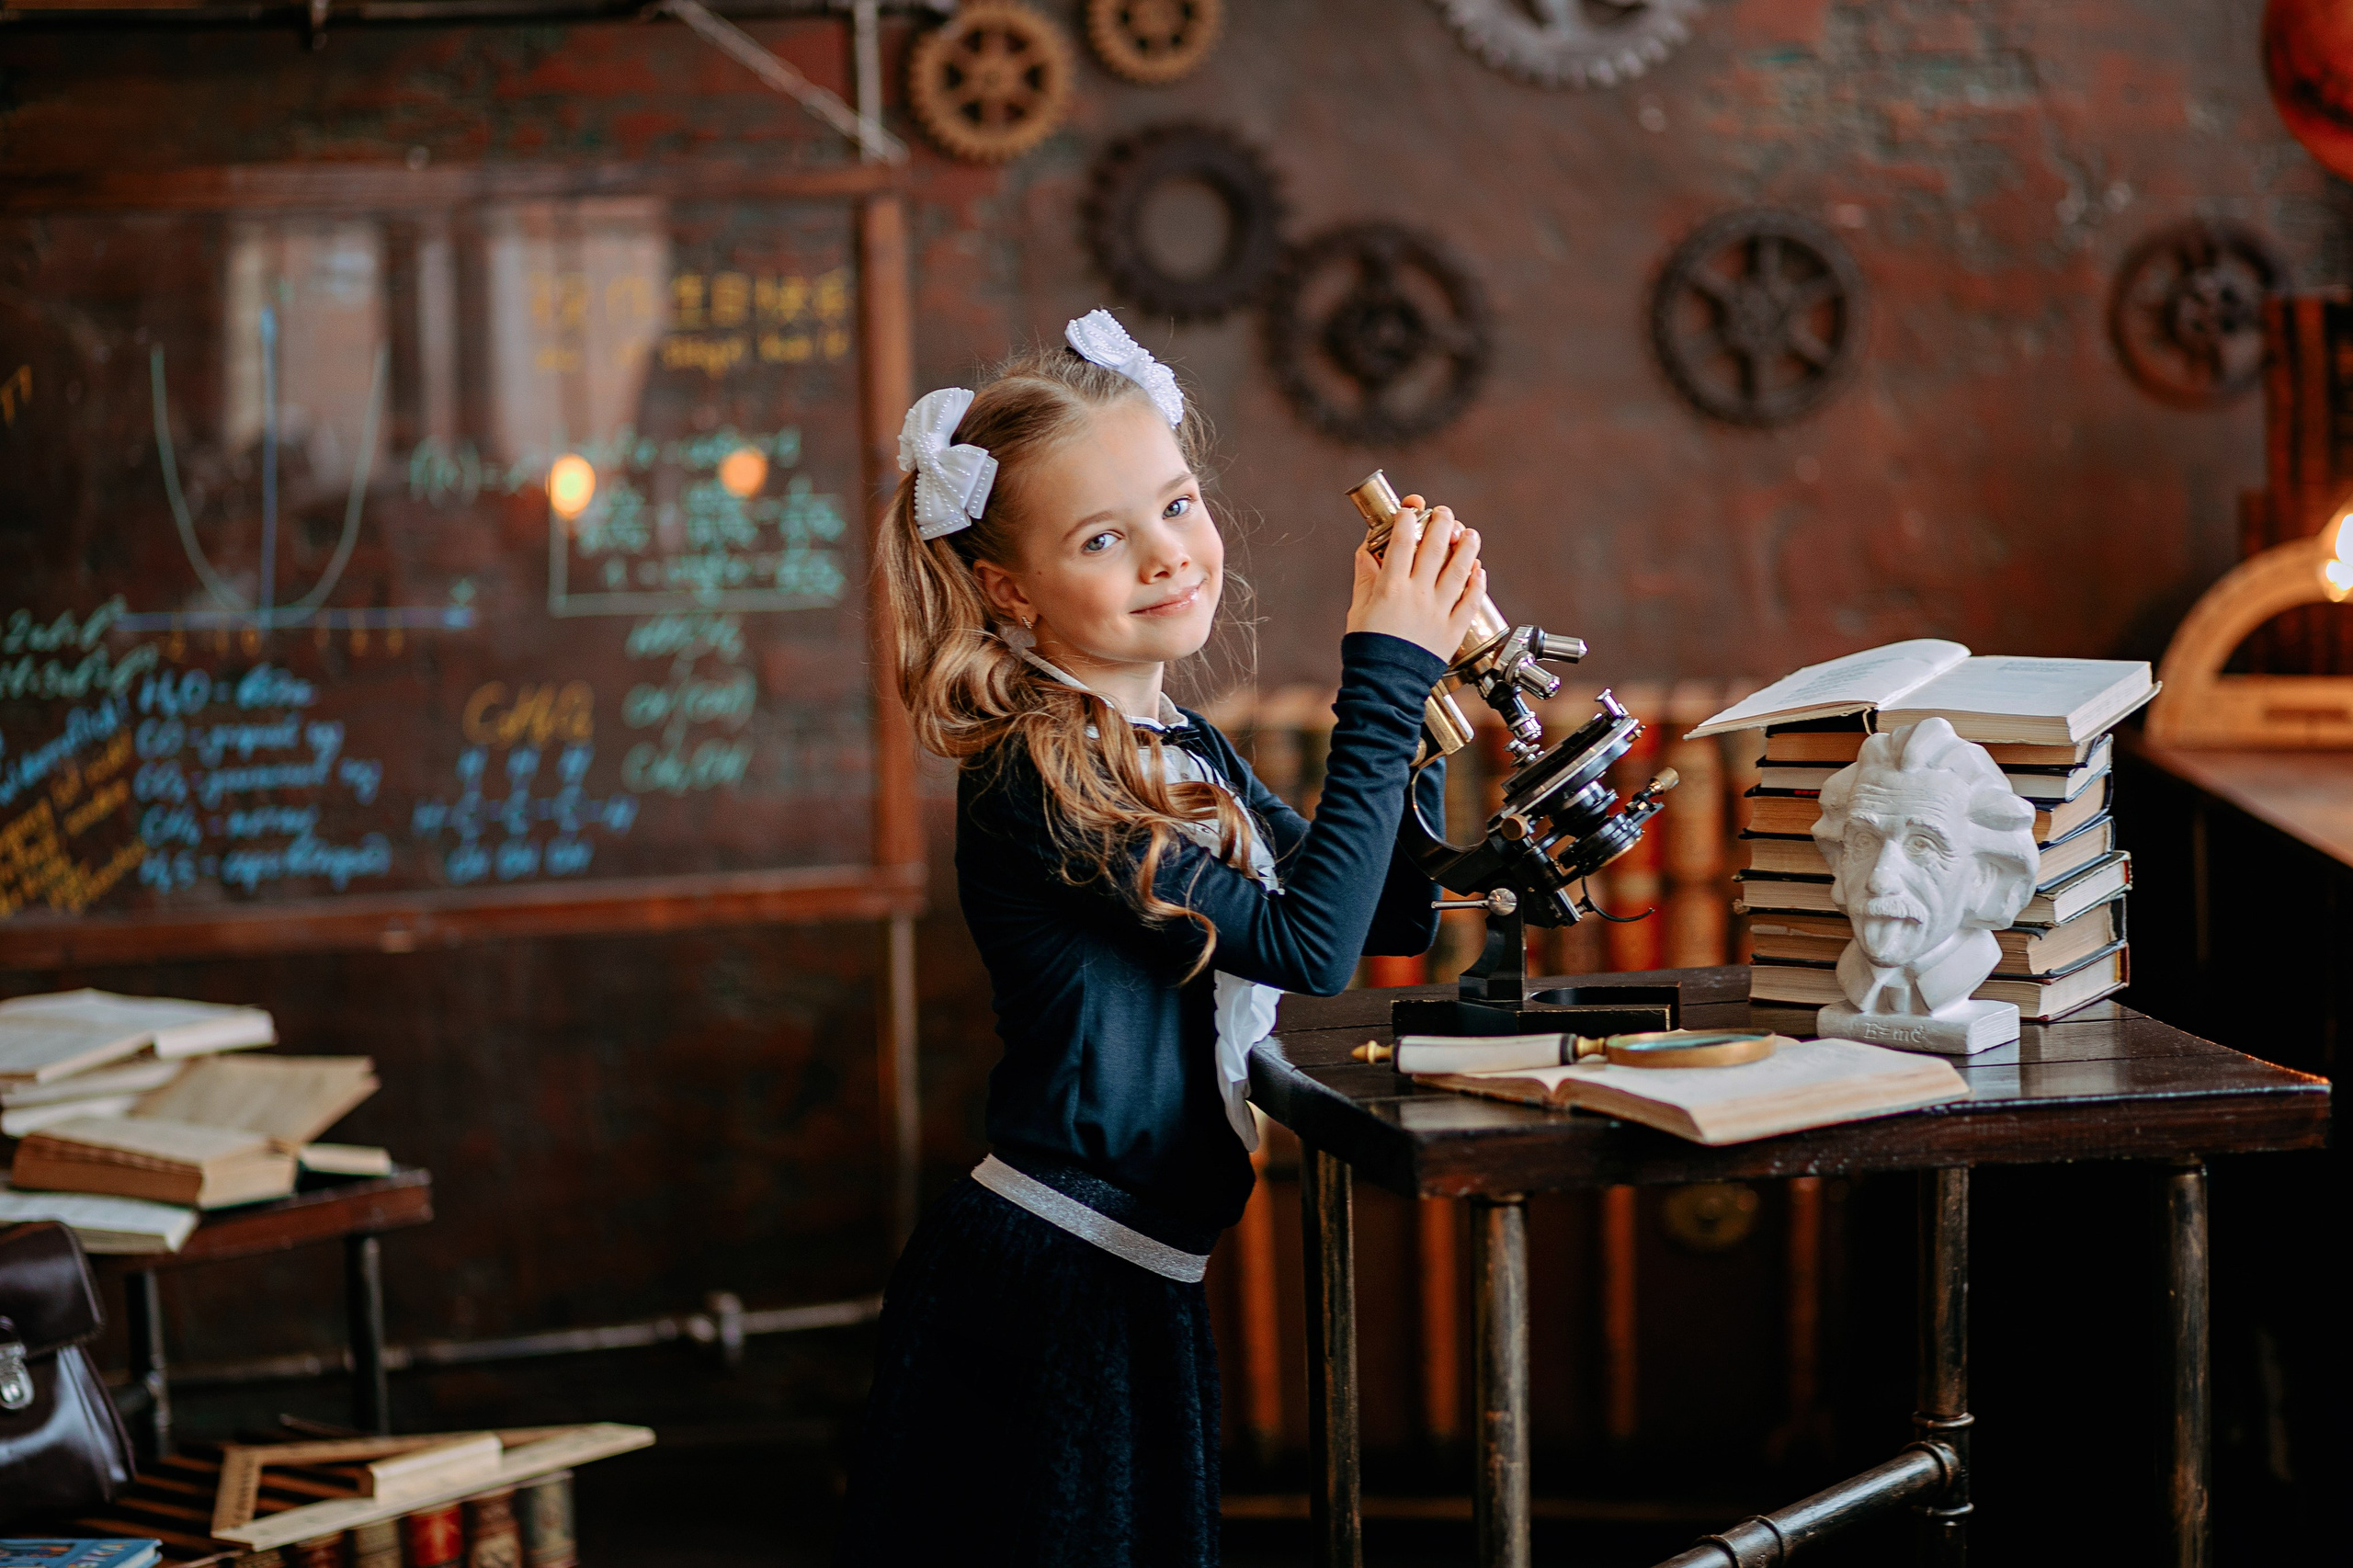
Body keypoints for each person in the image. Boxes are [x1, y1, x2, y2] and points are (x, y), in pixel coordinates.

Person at [841, 310, 1485, 1567]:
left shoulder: (1179, 752)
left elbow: (1388, 917)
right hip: (1044, 1292)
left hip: (1137, 1284)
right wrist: (1381, 675)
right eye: (1102, 536)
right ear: (1006, 585)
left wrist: (1419, 715)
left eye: (1178, 504)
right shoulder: (1037, 777)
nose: (1166, 554)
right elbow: (1308, 950)